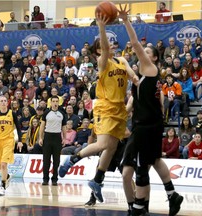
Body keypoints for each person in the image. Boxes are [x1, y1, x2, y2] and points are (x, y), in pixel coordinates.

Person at [58, 11, 138, 203]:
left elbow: (132, 76)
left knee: (110, 147)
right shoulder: (102, 63)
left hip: (119, 109)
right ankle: (72, 159)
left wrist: (137, 80)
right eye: (106, 45)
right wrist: (102, 27)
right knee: (103, 145)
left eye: (111, 44)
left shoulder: (123, 60)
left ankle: (97, 180)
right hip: (104, 106)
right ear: (99, 52)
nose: (110, 45)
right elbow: (103, 45)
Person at [118, 5, 183, 216]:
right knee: (154, 160)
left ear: (154, 58)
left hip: (145, 126)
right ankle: (172, 194)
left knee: (142, 165)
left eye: (147, 53)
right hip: (152, 123)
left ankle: (138, 206)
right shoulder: (144, 77)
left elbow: (135, 43)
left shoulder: (149, 68)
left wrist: (126, 21)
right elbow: (132, 73)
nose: (143, 54)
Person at [0, 95, 23, 196]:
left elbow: (18, 128)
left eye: (5, 101)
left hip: (8, 140)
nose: (3, 102)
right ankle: (7, 176)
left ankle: (2, 186)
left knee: (4, 164)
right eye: (1, 101)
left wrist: (20, 141)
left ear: (7, 103)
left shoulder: (12, 113)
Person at [39, 96, 66, 186]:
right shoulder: (46, 112)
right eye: (53, 101)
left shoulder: (62, 113)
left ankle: (55, 178)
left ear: (59, 103)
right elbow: (42, 126)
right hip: (47, 137)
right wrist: (40, 137)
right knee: (46, 160)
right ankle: (45, 179)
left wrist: (64, 138)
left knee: (56, 160)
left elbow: (64, 127)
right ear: (50, 103)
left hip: (57, 137)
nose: (55, 103)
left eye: (56, 101)